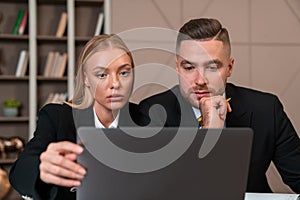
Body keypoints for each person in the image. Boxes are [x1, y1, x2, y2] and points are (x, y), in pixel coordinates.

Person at [138, 18, 300, 193]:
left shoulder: (266, 109)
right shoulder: (152, 112)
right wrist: (209, 132)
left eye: (212, 67)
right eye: (189, 68)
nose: (200, 80)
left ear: (229, 67)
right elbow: (154, 191)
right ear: (177, 67)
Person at [9, 34, 139, 199]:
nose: (115, 83)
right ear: (86, 79)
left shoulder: (144, 118)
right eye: (102, 75)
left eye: (124, 73)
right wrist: (42, 167)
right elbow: (19, 172)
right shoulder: (58, 117)